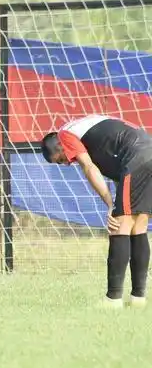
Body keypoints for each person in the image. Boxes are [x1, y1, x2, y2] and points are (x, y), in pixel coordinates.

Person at [41, 114, 152, 307]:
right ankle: (138, 299)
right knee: (138, 228)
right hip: (148, 150)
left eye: (60, 160)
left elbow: (89, 167)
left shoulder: (65, 134)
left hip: (136, 156)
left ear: (57, 145)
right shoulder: (87, 129)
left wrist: (110, 204)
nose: (67, 163)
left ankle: (113, 299)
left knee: (119, 227)